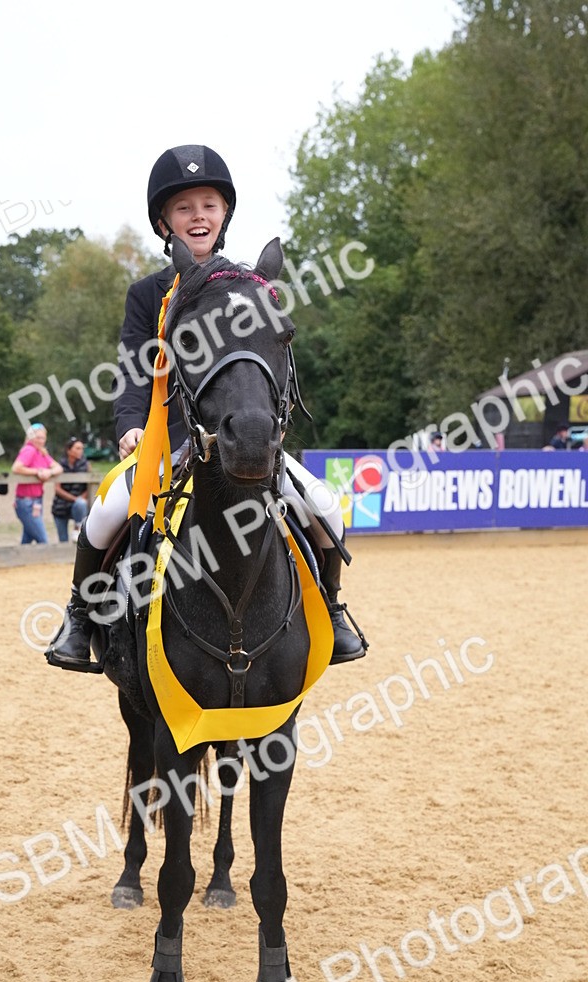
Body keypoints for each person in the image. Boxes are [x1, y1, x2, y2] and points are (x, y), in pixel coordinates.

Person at [48, 144, 366, 671]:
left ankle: (331, 609)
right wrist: (130, 425)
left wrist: (272, 419)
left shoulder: (248, 287)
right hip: (168, 440)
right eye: (184, 207)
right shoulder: (147, 293)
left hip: (244, 433)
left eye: (209, 205)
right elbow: (134, 368)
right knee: (105, 514)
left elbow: (269, 359)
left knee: (325, 505)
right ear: (164, 222)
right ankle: (80, 617)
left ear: (224, 215)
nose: (198, 216)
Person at [12, 424, 61, 544]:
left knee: (28, 538)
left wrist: (49, 472)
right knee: (43, 539)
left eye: (42, 438)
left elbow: (58, 467)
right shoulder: (29, 450)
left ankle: (21, 556)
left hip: (37, 501)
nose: (40, 440)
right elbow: (16, 467)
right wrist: (38, 472)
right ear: (30, 437)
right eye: (37, 437)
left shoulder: (41, 452)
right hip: (26, 501)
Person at [52, 436, 89, 543]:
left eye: (81, 448)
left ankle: (77, 528)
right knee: (63, 540)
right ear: (69, 450)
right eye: (77, 448)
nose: (80, 451)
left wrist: (80, 499)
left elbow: (90, 487)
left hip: (78, 505)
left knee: (81, 504)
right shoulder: (60, 465)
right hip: (60, 506)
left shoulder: (85, 465)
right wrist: (75, 498)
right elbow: (57, 488)